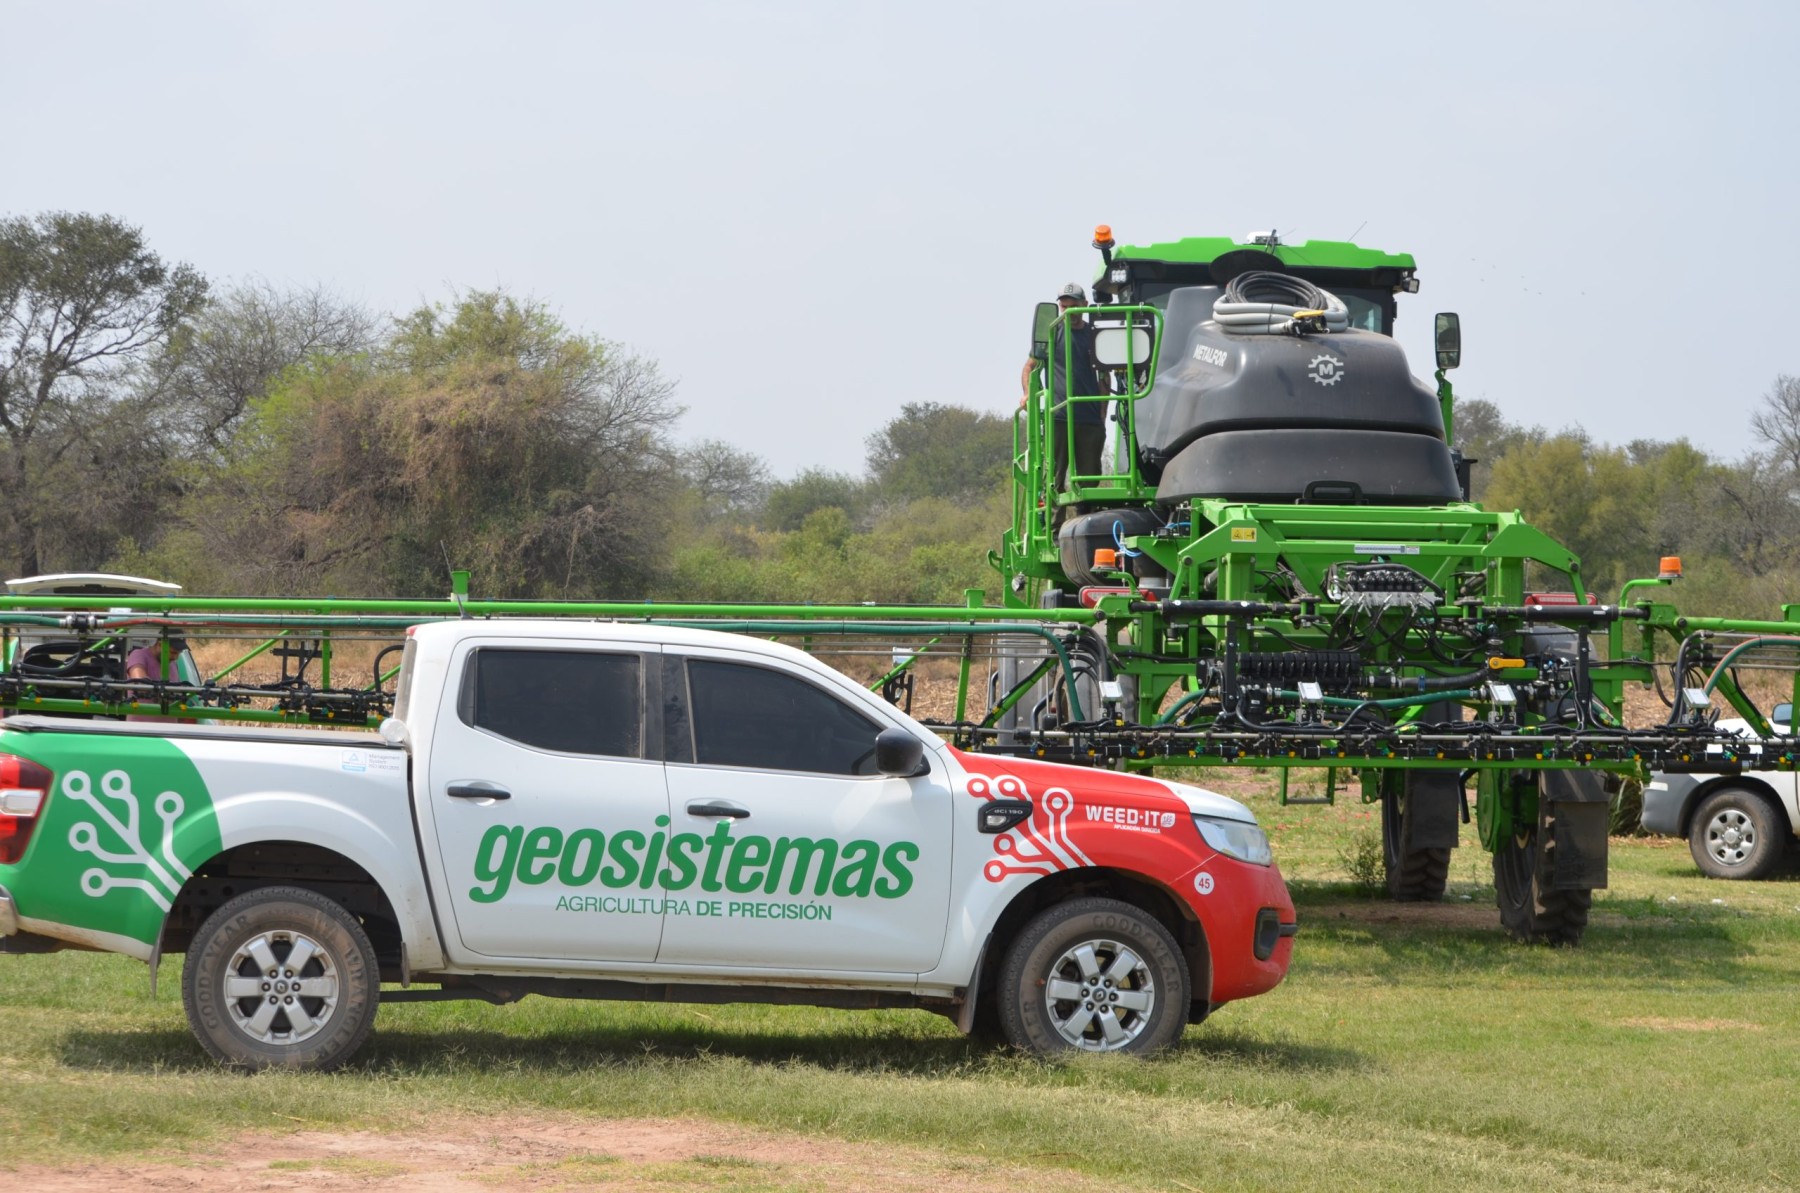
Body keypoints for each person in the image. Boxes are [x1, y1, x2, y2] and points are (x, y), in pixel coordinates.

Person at [1021, 283, 1105, 527]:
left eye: (1073, 306)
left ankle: (1085, 525)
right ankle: (1055, 528)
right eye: (1064, 306)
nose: (1069, 311)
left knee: (1089, 478)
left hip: (1089, 417)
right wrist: (1027, 394)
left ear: (1084, 305)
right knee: (1054, 476)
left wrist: (1102, 413)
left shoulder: (1095, 336)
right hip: (1059, 416)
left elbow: (1104, 377)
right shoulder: (1051, 334)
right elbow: (1030, 367)